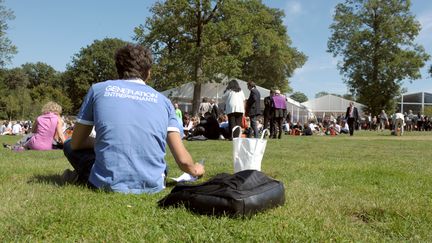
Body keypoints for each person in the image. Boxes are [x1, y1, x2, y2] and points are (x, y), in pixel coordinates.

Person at [63, 44, 204, 194]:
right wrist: (196, 169)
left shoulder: (98, 90)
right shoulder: (164, 101)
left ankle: (83, 175)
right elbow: (182, 160)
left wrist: (105, 143)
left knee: (68, 144)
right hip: (153, 182)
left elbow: (77, 143)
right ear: (148, 72)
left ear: (118, 69)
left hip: (106, 183)